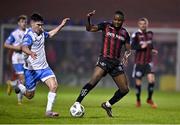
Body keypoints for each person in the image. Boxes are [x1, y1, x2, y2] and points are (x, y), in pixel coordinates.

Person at [71, 10, 131, 117]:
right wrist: (88, 19)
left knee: (124, 89)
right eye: (115, 19)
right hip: (104, 60)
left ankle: (107, 105)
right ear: (113, 19)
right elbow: (89, 29)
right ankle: (77, 102)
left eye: (119, 20)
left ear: (123, 21)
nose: (117, 22)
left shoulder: (125, 33)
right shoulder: (106, 26)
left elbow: (128, 49)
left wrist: (126, 56)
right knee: (94, 80)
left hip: (116, 64)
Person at [11, 13, 70, 117]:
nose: (41, 27)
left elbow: (50, 34)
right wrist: (30, 53)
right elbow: (24, 47)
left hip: (44, 68)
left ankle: (48, 112)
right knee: (29, 96)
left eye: (42, 25)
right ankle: (19, 87)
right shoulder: (29, 35)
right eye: (38, 25)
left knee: (54, 86)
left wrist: (61, 25)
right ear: (32, 24)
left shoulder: (41, 32)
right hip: (31, 70)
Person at [131, 17, 158, 108]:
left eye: (145, 23)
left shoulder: (150, 34)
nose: (143, 25)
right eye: (141, 24)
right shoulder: (136, 34)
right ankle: (138, 100)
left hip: (148, 62)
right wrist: (140, 46)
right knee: (138, 83)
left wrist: (153, 49)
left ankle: (149, 99)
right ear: (139, 25)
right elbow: (132, 46)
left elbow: (150, 44)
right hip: (139, 62)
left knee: (152, 80)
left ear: (147, 24)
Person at [4, 15, 28, 104]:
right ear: (18, 23)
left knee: (25, 80)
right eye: (22, 21)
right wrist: (15, 47)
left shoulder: (28, 32)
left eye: (25, 22)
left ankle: (12, 83)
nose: (24, 23)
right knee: (22, 79)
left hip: (26, 58)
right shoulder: (14, 33)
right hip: (17, 58)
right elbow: (6, 44)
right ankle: (19, 101)